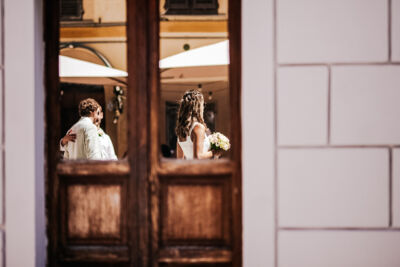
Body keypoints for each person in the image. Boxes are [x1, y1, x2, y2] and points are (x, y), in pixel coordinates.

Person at [175, 89, 220, 159]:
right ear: (198, 107)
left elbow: (179, 159)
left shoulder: (182, 129)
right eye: (202, 104)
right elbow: (198, 156)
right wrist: (214, 152)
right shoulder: (198, 127)